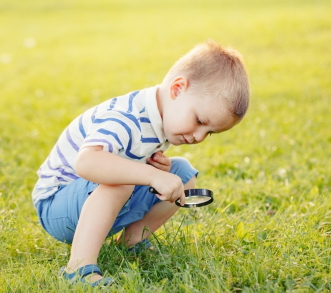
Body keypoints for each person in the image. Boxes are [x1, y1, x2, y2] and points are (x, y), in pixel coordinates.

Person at [32, 39, 250, 287]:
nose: (199, 137)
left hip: (93, 200)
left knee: (184, 173)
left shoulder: (162, 119)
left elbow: (132, 162)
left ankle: (133, 242)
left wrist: (157, 169)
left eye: (209, 133)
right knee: (122, 180)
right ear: (178, 89)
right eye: (200, 121)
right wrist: (151, 177)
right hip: (57, 206)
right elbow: (87, 162)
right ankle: (77, 268)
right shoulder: (127, 118)